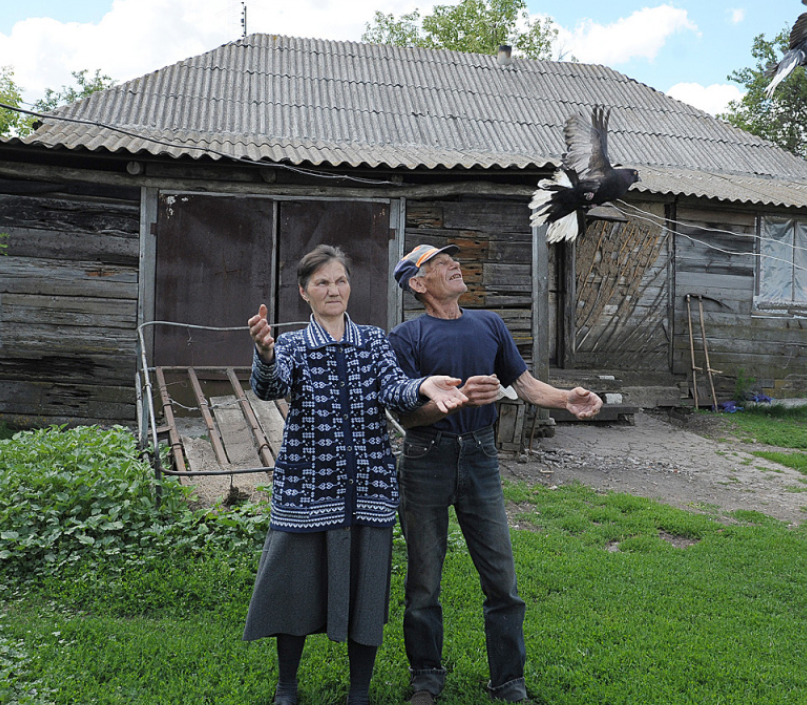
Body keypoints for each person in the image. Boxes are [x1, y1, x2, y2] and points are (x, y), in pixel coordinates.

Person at [243, 244, 467, 705]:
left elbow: (394, 387)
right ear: (305, 293)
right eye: (322, 282)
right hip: (308, 485)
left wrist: (424, 384)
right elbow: (271, 388)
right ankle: (287, 686)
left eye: (340, 280)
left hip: (369, 485)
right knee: (294, 587)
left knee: (367, 588)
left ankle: (359, 692)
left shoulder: (373, 340)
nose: (333, 289)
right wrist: (264, 353)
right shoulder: (291, 345)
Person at [389, 243, 603, 704]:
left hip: (481, 458)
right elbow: (406, 417)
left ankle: (509, 682)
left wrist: (566, 397)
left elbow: (524, 385)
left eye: (452, 259)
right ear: (419, 284)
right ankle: (426, 678)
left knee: (502, 579)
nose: (454, 264)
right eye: (440, 263)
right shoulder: (406, 336)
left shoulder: (489, 324)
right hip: (426, 458)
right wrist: (451, 400)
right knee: (424, 581)